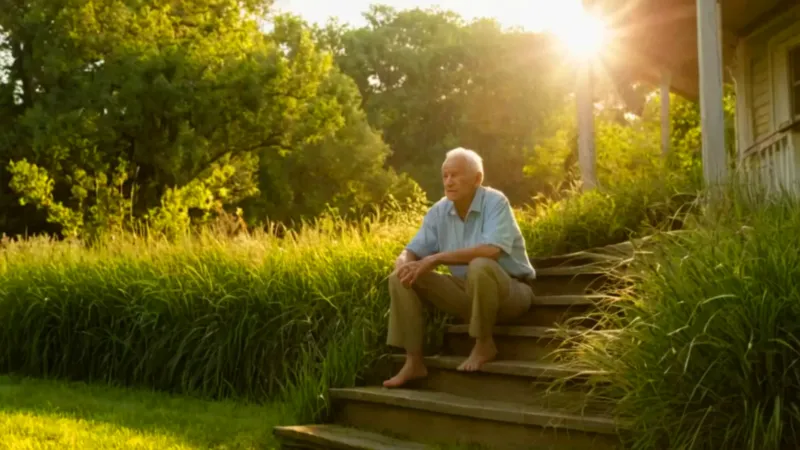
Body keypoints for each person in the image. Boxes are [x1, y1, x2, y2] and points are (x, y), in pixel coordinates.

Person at [383, 147, 536, 388]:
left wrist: (437, 258)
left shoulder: (495, 202)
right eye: (445, 175)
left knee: (480, 265)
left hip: (511, 293)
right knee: (400, 276)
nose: (449, 181)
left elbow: (491, 251)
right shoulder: (439, 211)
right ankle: (414, 361)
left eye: (455, 175)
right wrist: (404, 263)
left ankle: (484, 343)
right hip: (469, 295)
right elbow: (411, 249)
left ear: (477, 179)